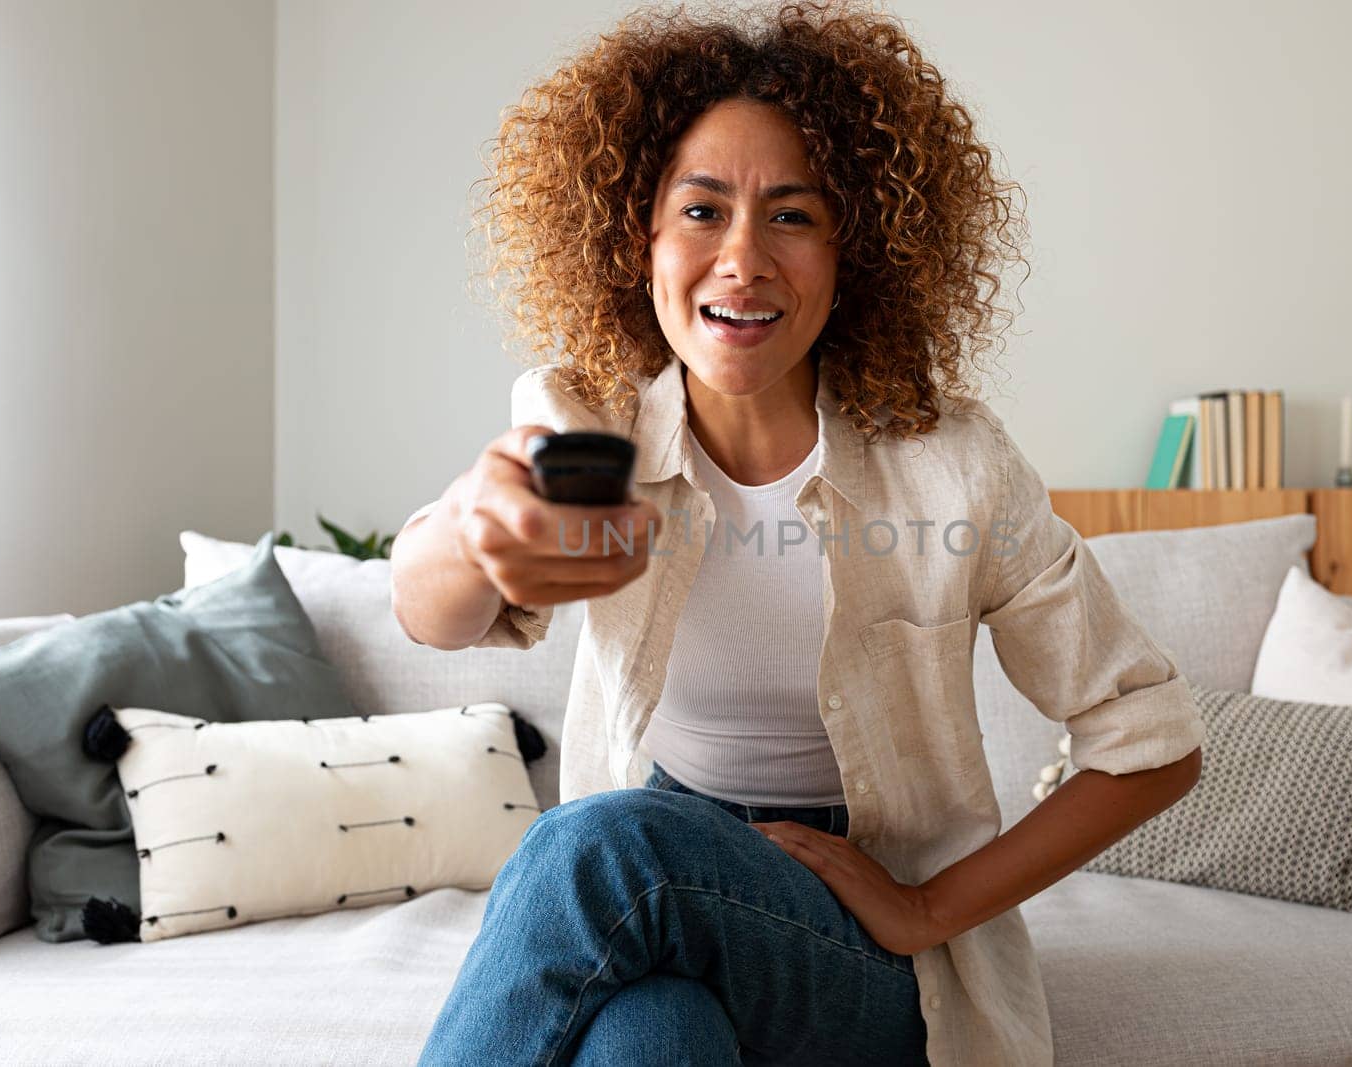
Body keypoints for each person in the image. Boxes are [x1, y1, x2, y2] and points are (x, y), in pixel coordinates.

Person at [390, 2, 1205, 1063]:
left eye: (791, 215)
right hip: (667, 886)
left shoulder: (955, 466)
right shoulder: (586, 417)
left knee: (596, 849)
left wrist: (924, 906)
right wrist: (476, 523)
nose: (741, 258)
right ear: (635, 235)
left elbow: (1153, 740)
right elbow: (431, 610)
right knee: (648, 1035)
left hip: (860, 950)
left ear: (851, 249)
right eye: (699, 210)